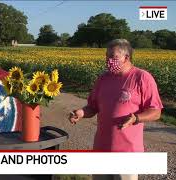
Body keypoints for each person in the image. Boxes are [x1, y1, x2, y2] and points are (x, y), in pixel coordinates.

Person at [69, 39, 163, 180]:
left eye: (113, 57)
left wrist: (136, 118)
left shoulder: (142, 77)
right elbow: (93, 107)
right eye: (107, 56)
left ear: (126, 57)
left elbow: (156, 111)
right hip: (101, 149)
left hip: (128, 153)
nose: (108, 61)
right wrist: (81, 113)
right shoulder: (103, 79)